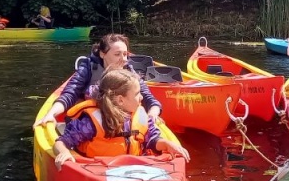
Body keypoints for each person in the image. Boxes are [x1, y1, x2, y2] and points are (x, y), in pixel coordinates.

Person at [49, 69, 188, 169]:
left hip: (133, 170)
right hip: (98, 171)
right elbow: (62, 142)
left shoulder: (140, 116)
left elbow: (152, 139)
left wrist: (166, 144)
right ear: (121, 100)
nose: (141, 98)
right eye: (137, 94)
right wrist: (64, 152)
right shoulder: (92, 121)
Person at [35, 33, 162, 126]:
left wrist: (153, 113)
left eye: (125, 54)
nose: (123, 59)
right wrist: (50, 114)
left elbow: (149, 99)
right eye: (117, 54)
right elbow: (69, 93)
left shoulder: (129, 71)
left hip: (120, 121)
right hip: (89, 122)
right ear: (102, 54)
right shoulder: (88, 67)